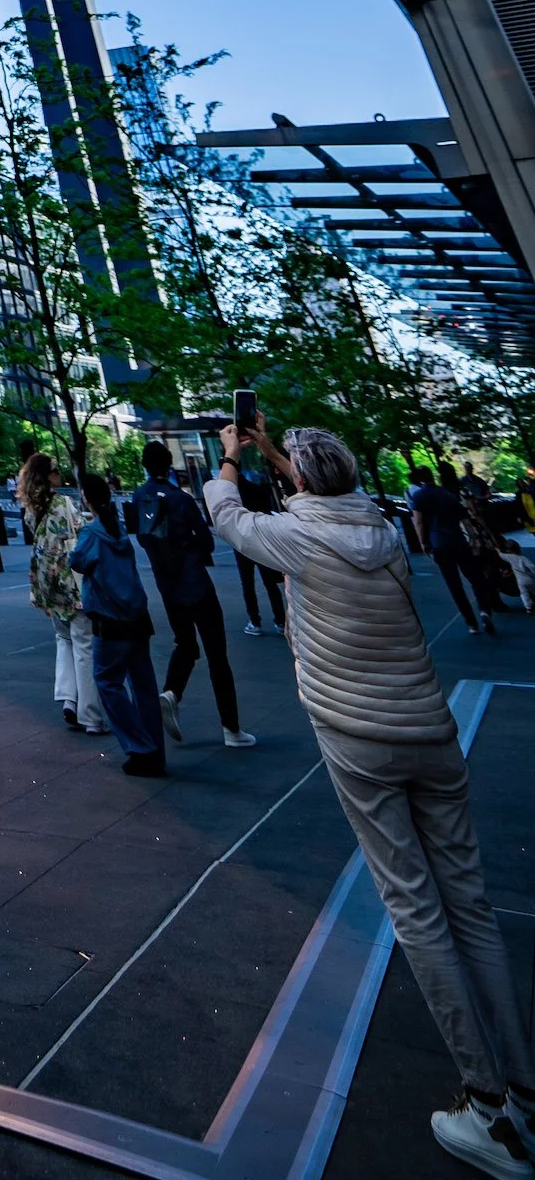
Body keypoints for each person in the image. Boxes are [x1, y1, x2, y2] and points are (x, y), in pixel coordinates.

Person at [210, 411, 534, 1175]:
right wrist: (271, 450)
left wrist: (230, 461)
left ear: (306, 483)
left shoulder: (297, 540)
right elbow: (325, 495)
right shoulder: (381, 530)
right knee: (472, 906)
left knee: (416, 910)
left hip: (360, 740)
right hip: (430, 729)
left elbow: (225, 515)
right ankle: (523, 1086)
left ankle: (489, 1110)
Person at [131, 439, 257, 750]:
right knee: (217, 656)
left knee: (184, 643)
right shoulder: (180, 499)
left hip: (168, 586)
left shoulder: (138, 497)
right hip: (196, 584)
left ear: (145, 465)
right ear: (168, 463)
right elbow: (207, 541)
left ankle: (171, 692)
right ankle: (231, 727)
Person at [70, 471, 167, 777]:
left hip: (110, 619)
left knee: (107, 681)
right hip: (138, 616)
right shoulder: (119, 531)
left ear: (86, 498)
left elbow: (77, 561)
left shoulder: (91, 534)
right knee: (144, 685)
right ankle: (155, 750)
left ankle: (140, 747)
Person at [21, 452, 109, 736]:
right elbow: (80, 536)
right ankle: (91, 715)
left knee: (64, 639)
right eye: (56, 470)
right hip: (72, 583)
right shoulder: (64, 504)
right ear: (48, 476)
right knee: (85, 646)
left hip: (48, 585)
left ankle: (68, 698)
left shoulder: (31, 508)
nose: (59, 474)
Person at [410, 461, 495, 636]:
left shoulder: (419, 496)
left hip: (438, 543)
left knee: (454, 585)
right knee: (475, 578)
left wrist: (423, 542)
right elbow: (465, 520)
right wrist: (474, 539)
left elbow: (418, 521)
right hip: (458, 541)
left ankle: (471, 623)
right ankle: (484, 610)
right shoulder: (447, 495)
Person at [232, 444, 291, 636]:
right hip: (260, 538)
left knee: (247, 583)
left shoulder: (231, 494)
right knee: (269, 582)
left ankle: (254, 621)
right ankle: (280, 620)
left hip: (240, 541)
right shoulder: (256, 489)